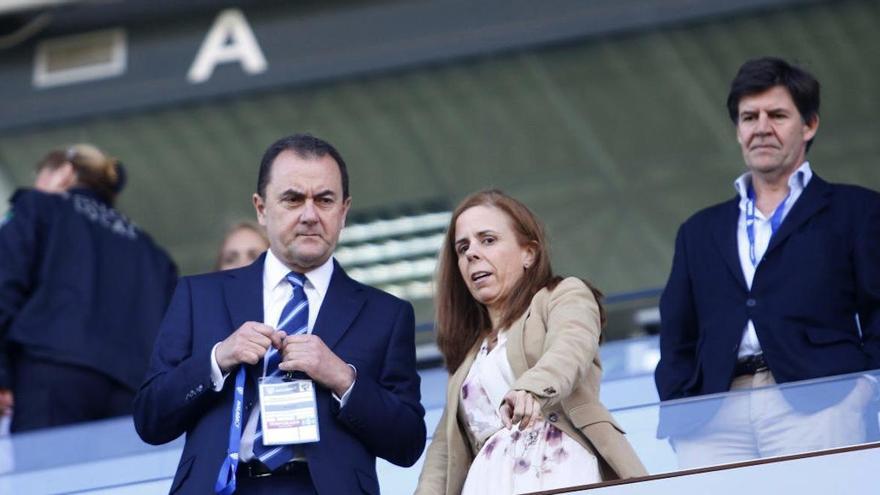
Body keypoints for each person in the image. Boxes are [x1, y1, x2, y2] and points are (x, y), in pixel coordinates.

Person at [133, 134, 426, 494]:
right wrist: (218, 359)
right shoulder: (200, 295)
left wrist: (343, 379)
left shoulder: (386, 314)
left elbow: (409, 443)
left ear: (344, 211)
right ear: (261, 208)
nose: (309, 215)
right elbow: (150, 419)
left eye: (325, 200)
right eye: (292, 199)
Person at [655, 57, 880, 466]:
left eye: (777, 115)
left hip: (820, 398)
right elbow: (677, 333)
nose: (761, 128)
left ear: (809, 125)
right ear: (738, 130)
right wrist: (677, 407)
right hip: (713, 414)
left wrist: (865, 386)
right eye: (748, 117)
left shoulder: (857, 210)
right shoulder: (698, 230)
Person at [416, 190, 646, 495]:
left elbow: (571, 347)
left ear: (529, 253)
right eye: (462, 247)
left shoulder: (563, 295)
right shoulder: (471, 356)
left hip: (556, 468)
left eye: (488, 240)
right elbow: (442, 455)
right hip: (486, 483)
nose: (471, 253)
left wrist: (531, 389)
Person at [0, 144, 178, 432]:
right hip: (131, 393)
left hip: (51, 374)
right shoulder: (153, 254)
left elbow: (4, 286)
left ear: (64, 173)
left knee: (46, 477)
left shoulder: (39, 207)